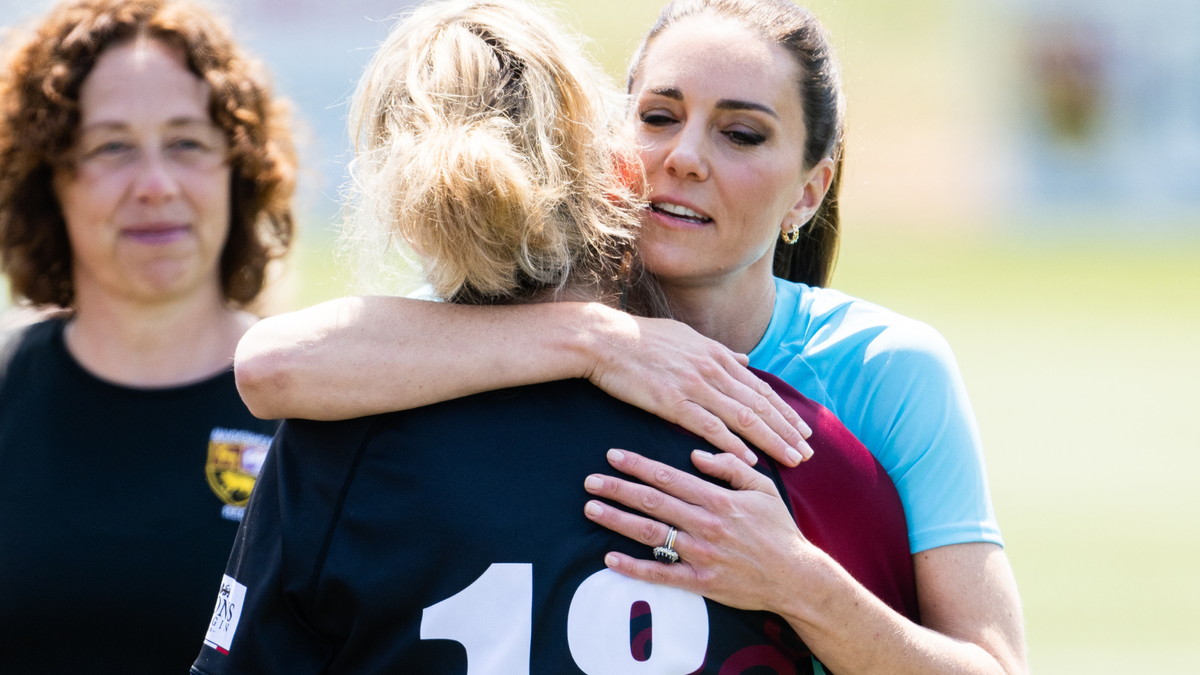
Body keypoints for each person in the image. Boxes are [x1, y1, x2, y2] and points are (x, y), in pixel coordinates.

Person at [233, 0, 1029, 673]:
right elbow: (274, 364)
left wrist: (797, 581)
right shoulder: (500, 336)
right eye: (658, 117)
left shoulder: (880, 368)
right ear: (612, 149)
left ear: (809, 191)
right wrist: (597, 340)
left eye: (741, 134)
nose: (684, 157)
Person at [0, 0, 294, 672]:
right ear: (50, 181)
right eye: (112, 147)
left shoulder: (313, 406)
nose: (156, 185)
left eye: (187, 142)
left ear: (238, 169)